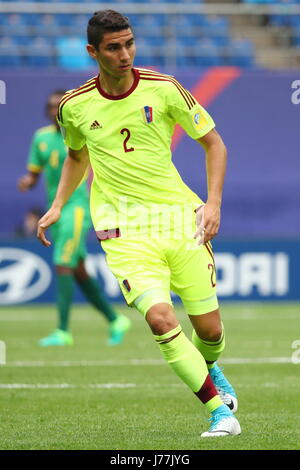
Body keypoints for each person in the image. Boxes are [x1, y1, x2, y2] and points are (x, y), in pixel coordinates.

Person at [36, 10, 241, 437]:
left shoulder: (164, 89)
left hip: (180, 220)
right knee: (162, 319)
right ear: (93, 52)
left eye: (129, 43)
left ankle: (211, 366)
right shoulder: (74, 107)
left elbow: (214, 143)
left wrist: (214, 204)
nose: (125, 53)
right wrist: (58, 205)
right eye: (114, 47)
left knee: (210, 331)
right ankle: (219, 412)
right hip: (123, 229)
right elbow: (77, 156)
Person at [18, 89, 131, 347]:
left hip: (77, 208)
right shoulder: (41, 139)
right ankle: (115, 320)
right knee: (78, 269)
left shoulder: (82, 134)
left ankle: (62, 331)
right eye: (52, 106)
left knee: (62, 263)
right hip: (54, 208)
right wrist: (27, 182)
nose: (56, 111)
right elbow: (34, 174)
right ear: (48, 112)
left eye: (60, 106)